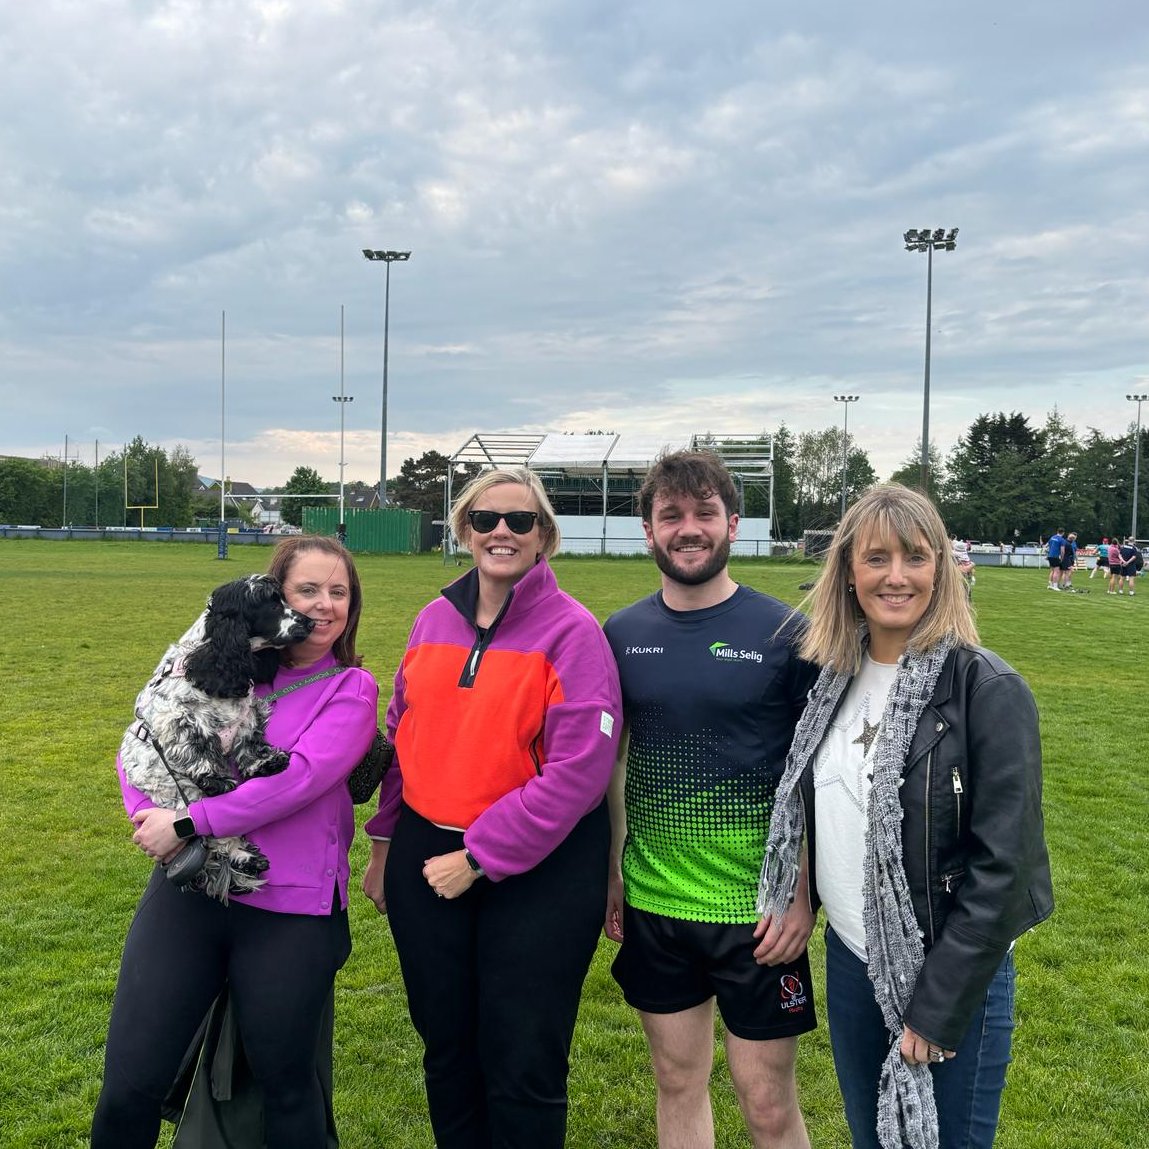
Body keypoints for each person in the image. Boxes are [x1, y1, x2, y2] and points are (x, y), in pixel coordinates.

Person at [757, 483, 1053, 1149]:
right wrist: (800, 890)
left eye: (915, 557)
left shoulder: (986, 690)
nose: (895, 576)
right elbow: (816, 805)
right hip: (852, 959)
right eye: (876, 558)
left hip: (948, 974)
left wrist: (935, 1006)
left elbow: (1004, 871)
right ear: (847, 573)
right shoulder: (828, 677)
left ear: (940, 570)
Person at [362, 466, 622, 1148]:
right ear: (463, 531)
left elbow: (579, 772)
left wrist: (480, 856)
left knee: (522, 1058)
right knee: (446, 1047)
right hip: (425, 859)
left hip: (539, 871)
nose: (501, 531)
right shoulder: (431, 616)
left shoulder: (573, 632)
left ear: (544, 538)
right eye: (485, 519)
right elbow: (402, 733)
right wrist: (384, 846)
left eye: (519, 520)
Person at [92, 537, 380, 1149]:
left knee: (287, 1088)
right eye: (307, 590)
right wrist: (146, 815)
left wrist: (189, 822)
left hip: (290, 910)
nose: (324, 606)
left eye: (339, 593)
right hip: (190, 895)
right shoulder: (207, 668)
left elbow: (298, 782)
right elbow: (147, 733)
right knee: (130, 1085)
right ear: (276, 596)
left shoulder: (350, 690)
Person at [603, 449, 817, 1149]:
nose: (686, 528)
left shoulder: (788, 633)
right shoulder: (621, 635)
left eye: (702, 514)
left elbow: (815, 773)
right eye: (670, 515)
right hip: (655, 904)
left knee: (765, 1103)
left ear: (732, 522)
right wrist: (612, 872)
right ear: (647, 530)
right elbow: (610, 764)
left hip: (757, 913)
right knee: (675, 1082)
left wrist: (800, 891)